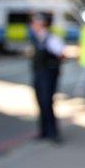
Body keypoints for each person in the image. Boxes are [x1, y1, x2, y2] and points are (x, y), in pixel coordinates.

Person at [30, 12, 63, 143]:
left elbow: (61, 54)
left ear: (42, 24)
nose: (32, 25)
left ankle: (53, 133)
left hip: (48, 75)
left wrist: (52, 67)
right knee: (40, 103)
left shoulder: (51, 38)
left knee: (47, 102)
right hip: (38, 74)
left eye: (35, 22)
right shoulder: (37, 38)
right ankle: (43, 131)